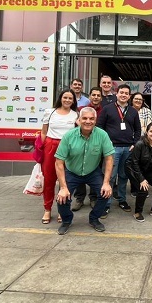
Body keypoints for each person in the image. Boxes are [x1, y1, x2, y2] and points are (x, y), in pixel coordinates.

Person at [54, 107, 115, 234]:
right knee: (62, 198)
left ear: (95, 120)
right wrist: (63, 187)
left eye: (91, 118)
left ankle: (94, 219)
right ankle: (66, 220)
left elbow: (109, 159)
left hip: (92, 172)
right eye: (85, 118)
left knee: (106, 193)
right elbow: (59, 162)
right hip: (72, 172)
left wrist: (106, 182)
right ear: (79, 120)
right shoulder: (69, 136)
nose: (88, 121)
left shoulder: (102, 135)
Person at [96, 83, 141, 215]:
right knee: (109, 176)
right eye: (121, 92)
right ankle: (106, 203)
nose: (124, 95)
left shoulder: (133, 111)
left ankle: (122, 199)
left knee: (123, 176)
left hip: (128, 148)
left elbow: (138, 129)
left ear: (129, 96)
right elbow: (99, 127)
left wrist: (135, 142)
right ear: (117, 93)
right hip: (112, 148)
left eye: (126, 93)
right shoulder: (107, 108)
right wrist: (105, 143)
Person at [39, 90, 78, 224]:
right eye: (65, 97)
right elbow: (43, 132)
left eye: (70, 98)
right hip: (50, 146)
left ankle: (63, 210)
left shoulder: (76, 115)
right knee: (49, 180)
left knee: (66, 181)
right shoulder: (49, 112)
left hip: (68, 148)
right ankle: (47, 209)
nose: (67, 100)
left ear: (73, 101)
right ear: (60, 98)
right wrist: (43, 148)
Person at [126, 122, 152, 221]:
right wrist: (141, 179)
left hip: (148, 169)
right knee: (143, 189)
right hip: (133, 169)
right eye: (151, 131)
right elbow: (134, 163)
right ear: (147, 132)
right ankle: (137, 212)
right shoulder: (140, 144)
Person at [71, 85, 104, 212]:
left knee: (95, 172)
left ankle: (93, 197)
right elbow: (76, 124)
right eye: (93, 95)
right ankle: (79, 198)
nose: (96, 97)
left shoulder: (104, 110)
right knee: (79, 171)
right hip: (80, 145)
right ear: (89, 96)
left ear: (101, 98)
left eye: (98, 95)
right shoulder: (80, 109)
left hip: (96, 146)